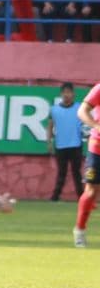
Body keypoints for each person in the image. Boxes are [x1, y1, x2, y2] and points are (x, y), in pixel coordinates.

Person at [47, 82, 85, 202]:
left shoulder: (79, 108)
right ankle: (55, 197)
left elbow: (86, 124)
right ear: (61, 94)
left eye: (69, 92)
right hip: (60, 146)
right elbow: (50, 127)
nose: (67, 95)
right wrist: (49, 142)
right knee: (61, 173)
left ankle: (81, 198)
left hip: (76, 145)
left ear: (73, 94)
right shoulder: (54, 110)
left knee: (76, 173)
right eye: (65, 92)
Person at [75, 80, 100, 247]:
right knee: (91, 192)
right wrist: (96, 126)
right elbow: (82, 111)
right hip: (97, 147)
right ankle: (79, 230)